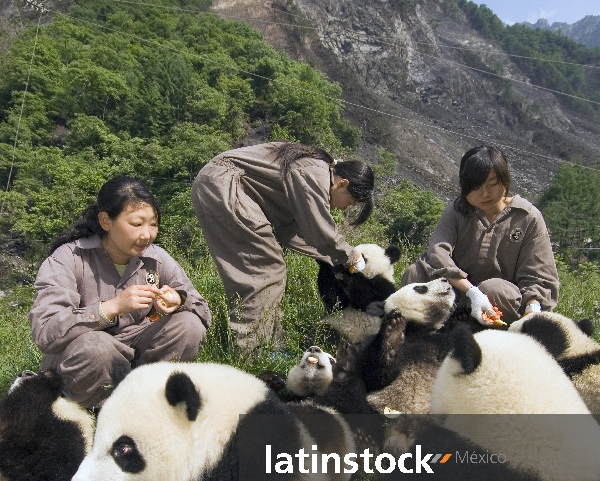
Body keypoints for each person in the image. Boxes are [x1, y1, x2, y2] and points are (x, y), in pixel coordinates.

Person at [30, 176, 211, 409]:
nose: (147, 234)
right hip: (83, 360)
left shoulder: (156, 258)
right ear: (106, 221)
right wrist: (111, 307)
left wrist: (179, 300)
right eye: (136, 224)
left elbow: (201, 308)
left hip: (136, 350)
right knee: (97, 348)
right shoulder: (68, 258)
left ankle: (151, 403)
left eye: (153, 224)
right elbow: (45, 331)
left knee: (188, 325)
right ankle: (89, 413)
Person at [191, 141, 375, 349]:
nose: (343, 209)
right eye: (349, 202)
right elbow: (320, 230)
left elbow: (293, 231)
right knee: (263, 270)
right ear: (343, 183)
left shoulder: (314, 170)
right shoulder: (314, 172)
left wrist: (333, 259)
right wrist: (351, 257)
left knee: (271, 270)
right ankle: (252, 351)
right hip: (224, 186)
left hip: (220, 185)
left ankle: (271, 344)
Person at [401, 145, 559, 325]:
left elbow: (539, 276)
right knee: (415, 273)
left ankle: (482, 334)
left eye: (492, 184)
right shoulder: (457, 210)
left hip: (499, 301)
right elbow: (438, 254)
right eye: (476, 187)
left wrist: (532, 308)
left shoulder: (527, 217)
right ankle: (413, 334)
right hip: (457, 293)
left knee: (492, 289)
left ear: (505, 180)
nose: (485, 194)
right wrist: (471, 292)